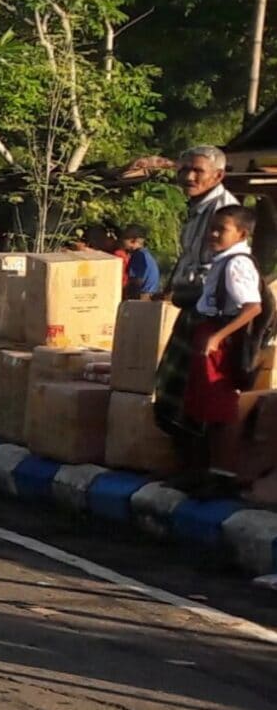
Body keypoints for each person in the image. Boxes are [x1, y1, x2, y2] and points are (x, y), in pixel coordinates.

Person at [155, 204, 266, 495]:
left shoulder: (237, 263)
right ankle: (202, 472)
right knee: (200, 406)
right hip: (206, 332)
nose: (214, 234)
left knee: (220, 411)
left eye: (222, 230)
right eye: (212, 228)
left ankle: (223, 475)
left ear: (241, 234)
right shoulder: (222, 260)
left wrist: (218, 337)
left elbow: (252, 307)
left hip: (218, 339)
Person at [169, 145, 239, 302]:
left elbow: (226, 265)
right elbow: (188, 256)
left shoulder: (224, 210)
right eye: (184, 169)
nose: (188, 177)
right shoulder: (197, 206)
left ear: (218, 176)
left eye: (198, 171)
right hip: (190, 299)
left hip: (211, 303)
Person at [121, 224, 163, 300]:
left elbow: (136, 282)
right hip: (150, 296)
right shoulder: (145, 254)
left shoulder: (138, 256)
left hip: (143, 298)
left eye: (124, 238)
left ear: (133, 240)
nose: (121, 241)